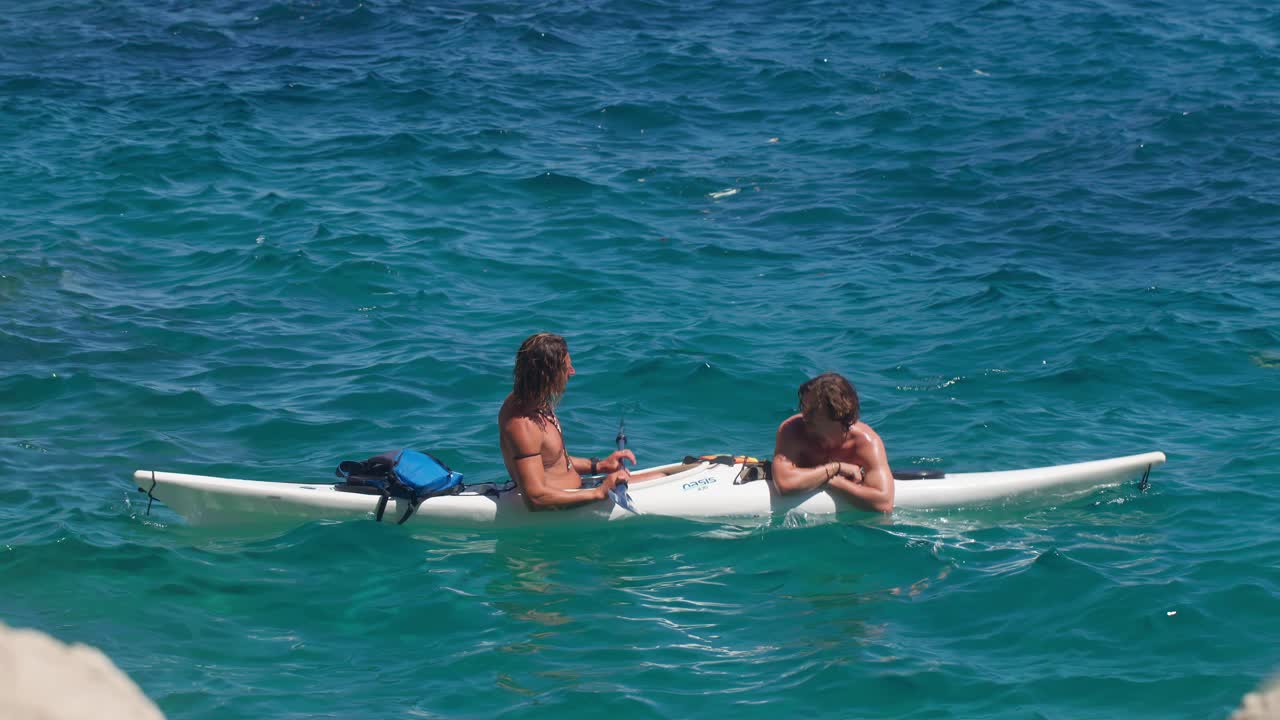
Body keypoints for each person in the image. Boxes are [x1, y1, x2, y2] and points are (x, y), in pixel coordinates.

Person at [498, 332, 636, 510]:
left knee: (665, 474)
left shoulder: (536, 401)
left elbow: (552, 461)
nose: (572, 372)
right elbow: (535, 498)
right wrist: (599, 493)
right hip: (562, 504)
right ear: (547, 375)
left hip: (576, 491)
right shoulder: (523, 425)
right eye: (566, 368)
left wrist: (599, 465)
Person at [771, 372, 894, 513]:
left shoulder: (866, 442)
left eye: (813, 411)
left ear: (838, 413)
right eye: (804, 407)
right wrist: (835, 468)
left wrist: (834, 481)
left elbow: (884, 503)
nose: (805, 416)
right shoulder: (791, 429)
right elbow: (785, 484)